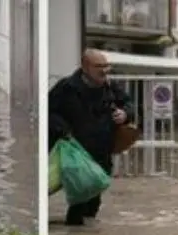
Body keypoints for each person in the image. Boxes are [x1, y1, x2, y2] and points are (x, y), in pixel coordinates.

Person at [48, 49, 135, 226]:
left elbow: (129, 103)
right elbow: (49, 111)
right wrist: (63, 130)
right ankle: (76, 231)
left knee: (94, 196)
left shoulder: (110, 87)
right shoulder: (66, 87)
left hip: (102, 150)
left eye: (106, 66)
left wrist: (125, 113)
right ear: (86, 67)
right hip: (76, 151)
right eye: (99, 66)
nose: (104, 70)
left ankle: (85, 232)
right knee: (81, 193)